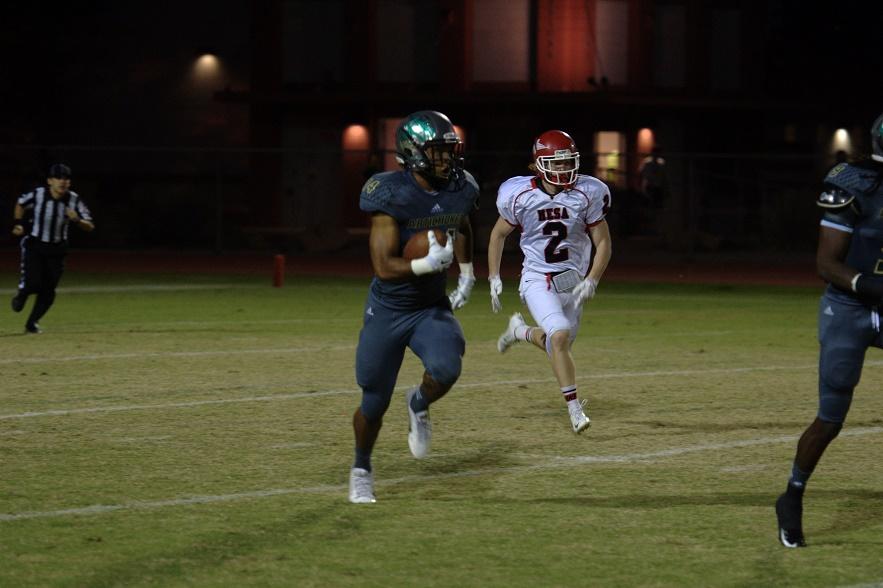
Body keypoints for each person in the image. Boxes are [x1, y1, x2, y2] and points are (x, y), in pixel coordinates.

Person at [349, 110, 479, 503]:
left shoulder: (461, 186)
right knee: (373, 401)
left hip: (429, 306)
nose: (446, 160)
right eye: (437, 152)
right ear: (413, 152)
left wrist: (468, 271)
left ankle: (418, 403)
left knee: (447, 367)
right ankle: (361, 468)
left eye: (448, 151)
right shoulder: (390, 192)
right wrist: (425, 263)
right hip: (389, 309)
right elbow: (383, 267)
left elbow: (463, 222)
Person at [775, 112, 883, 548]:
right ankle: (793, 494)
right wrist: (869, 284)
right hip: (850, 307)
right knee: (831, 417)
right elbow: (826, 264)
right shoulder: (855, 184)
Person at [487, 130, 613, 433]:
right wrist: (493, 276)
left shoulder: (587, 194)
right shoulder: (520, 195)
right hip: (537, 278)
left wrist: (592, 280)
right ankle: (574, 409)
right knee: (559, 336)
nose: (564, 169)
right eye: (556, 164)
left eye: (568, 162)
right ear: (538, 164)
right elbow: (498, 235)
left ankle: (519, 331)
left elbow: (604, 242)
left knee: (559, 343)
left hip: (572, 281)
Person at [10, 163, 94, 333]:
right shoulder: (38, 194)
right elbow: (20, 203)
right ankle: (22, 293)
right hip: (36, 244)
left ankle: (32, 323)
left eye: (66, 179)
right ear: (50, 181)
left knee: (48, 291)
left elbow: (90, 226)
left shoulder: (74, 199)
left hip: (57, 249)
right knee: (33, 283)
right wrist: (18, 224)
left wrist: (77, 220)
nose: (62, 182)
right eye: (58, 178)